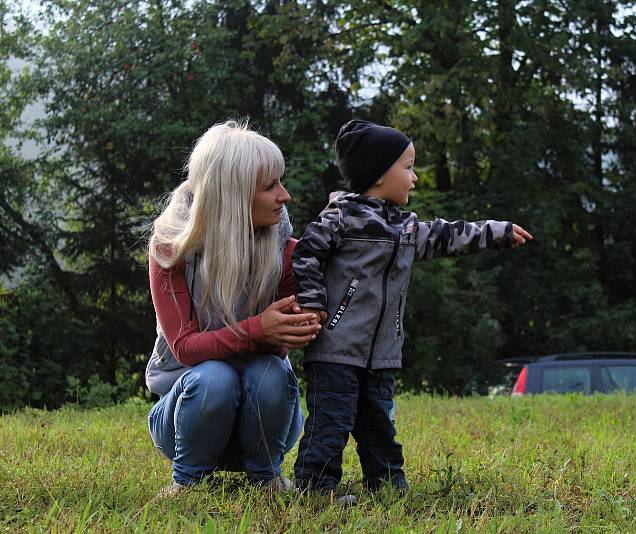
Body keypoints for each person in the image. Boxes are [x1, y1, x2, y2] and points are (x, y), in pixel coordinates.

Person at [291, 119, 533, 499]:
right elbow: (306, 254)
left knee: (379, 425)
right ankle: (314, 488)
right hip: (336, 349)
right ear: (377, 174)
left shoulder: (407, 228)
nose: (415, 177)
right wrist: (314, 302)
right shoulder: (340, 219)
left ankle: (386, 486)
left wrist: (497, 231)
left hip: (382, 354)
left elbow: (451, 235)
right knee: (331, 421)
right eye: (407, 168)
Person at [145, 120, 322, 497]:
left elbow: (281, 344)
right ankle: (186, 482)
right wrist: (259, 329)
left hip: (263, 426)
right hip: (183, 424)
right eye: (270, 186)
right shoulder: (170, 248)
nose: (285, 195)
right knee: (214, 378)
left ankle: (268, 478)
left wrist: (310, 320)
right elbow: (185, 348)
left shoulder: (285, 249)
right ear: (233, 194)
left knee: (271, 372)